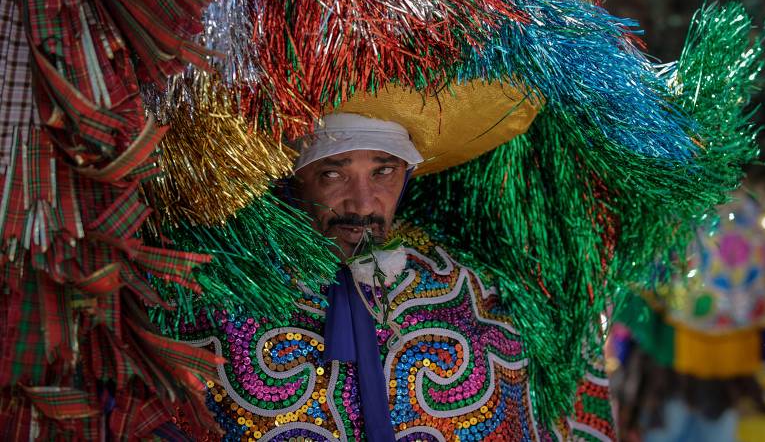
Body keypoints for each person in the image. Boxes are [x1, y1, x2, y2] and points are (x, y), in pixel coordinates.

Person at [182, 112, 616, 441]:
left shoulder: (474, 291)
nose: (363, 203)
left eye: (383, 171)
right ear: (295, 179)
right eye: (333, 173)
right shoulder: (220, 302)